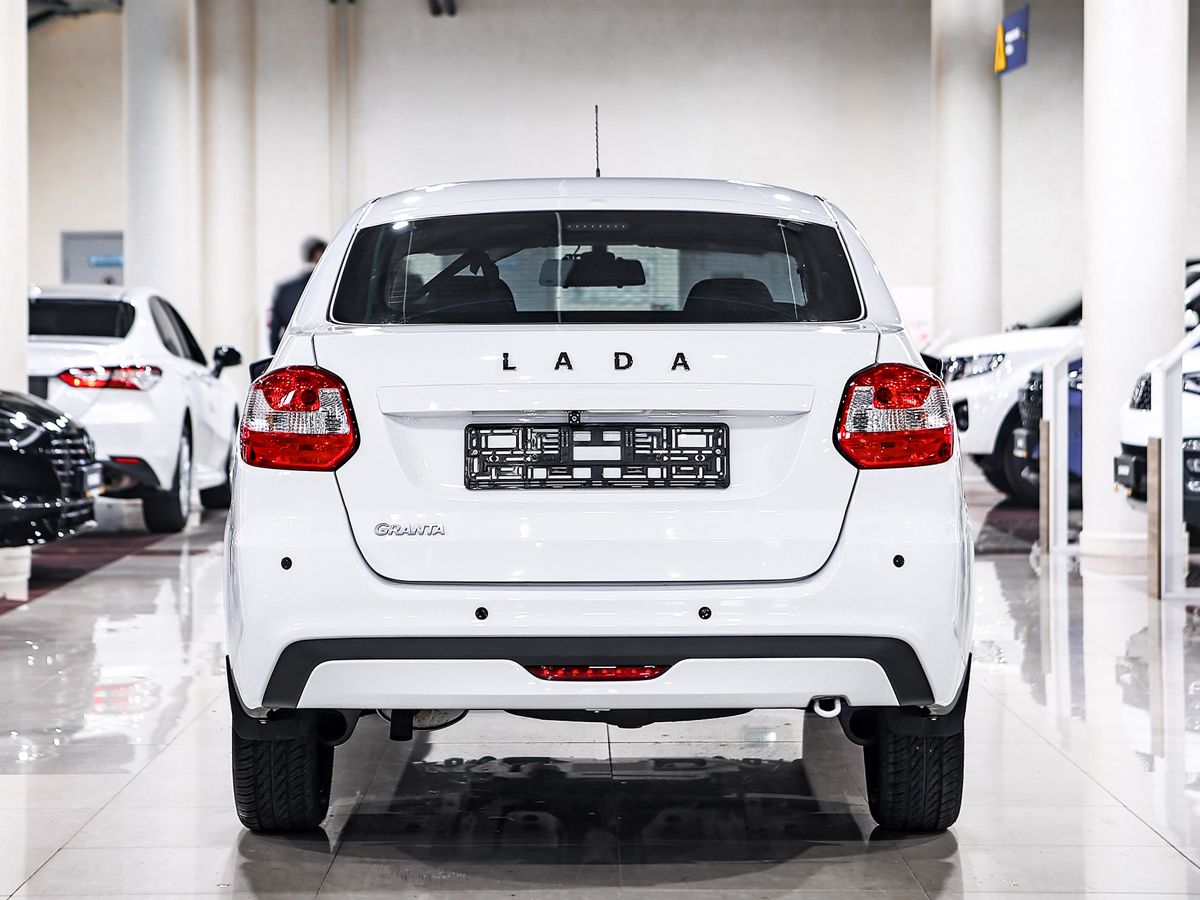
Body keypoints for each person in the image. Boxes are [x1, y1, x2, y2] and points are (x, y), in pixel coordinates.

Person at [269, 237, 326, 351]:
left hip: (292, 350)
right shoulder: (328, 283)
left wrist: (275, 357)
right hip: (323, 348)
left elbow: (274, 330)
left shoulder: (284, 289)